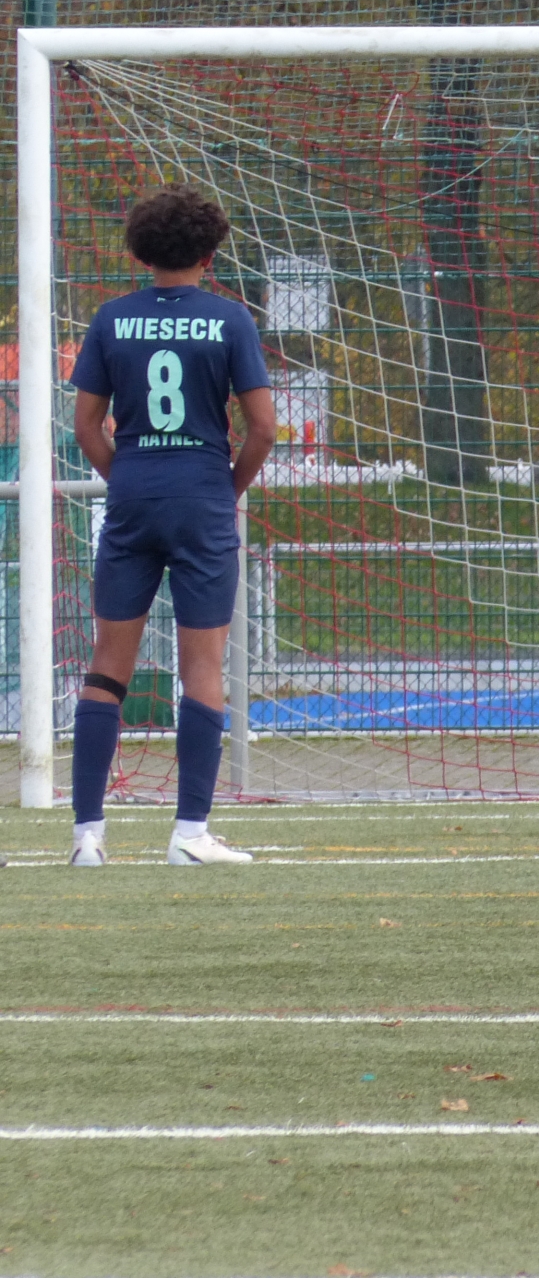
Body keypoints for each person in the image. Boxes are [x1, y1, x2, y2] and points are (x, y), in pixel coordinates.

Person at [66, 185, 276, 866]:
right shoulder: (230, 319)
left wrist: (127, 477)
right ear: (210, 254)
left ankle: (87, 837)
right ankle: (188, 834)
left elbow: (86, 426)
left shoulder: (111, 318)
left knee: (107, 666)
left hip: (132, 498)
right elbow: (263, 429)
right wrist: (223, 489)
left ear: (140, 252)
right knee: (203, 668)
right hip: (202, 499)